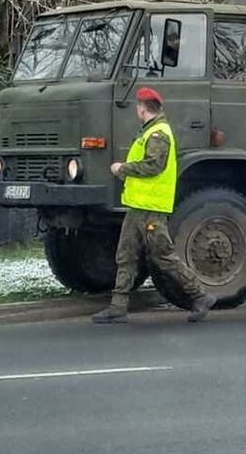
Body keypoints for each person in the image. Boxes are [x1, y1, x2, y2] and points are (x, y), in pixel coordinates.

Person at [92, 87, 216, 323]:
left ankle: (200, 295)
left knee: (163, 256)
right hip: (138, 206)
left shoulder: (158, 134)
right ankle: (118, 306)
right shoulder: (150, 131)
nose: (137, 110)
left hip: (151, 209)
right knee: (126, 255)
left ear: (142, 108)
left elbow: (153, 166)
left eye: (138, 106)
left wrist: (122, 169)